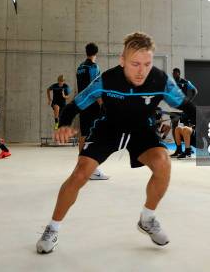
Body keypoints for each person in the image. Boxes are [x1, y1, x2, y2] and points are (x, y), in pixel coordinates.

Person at [36, 32, 197, 254]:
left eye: (147, 64)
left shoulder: (161, 80)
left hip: (142, 130)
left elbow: (187, 106)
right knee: (81, 173)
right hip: (108, 128)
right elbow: (75, 104)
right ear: (122, 61)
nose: (141, 70)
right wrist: (63, 123)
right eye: (135, 64)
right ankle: (52, 229)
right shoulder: (106, 79)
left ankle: (147, 219)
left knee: (163, 163)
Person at [76, 42, 109, 180]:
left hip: (81, 104)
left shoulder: (80, 68)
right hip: (92, 105)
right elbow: (95, 89)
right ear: (96, 53)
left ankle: (81, 167)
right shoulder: (94, 67)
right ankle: (92, 169)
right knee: (94, 135)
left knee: (84, 134)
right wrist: (103, 105)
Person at [169, 68, 197, 156]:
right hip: (174, 109)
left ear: (179, 73)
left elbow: (195, 91)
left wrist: (189, 101)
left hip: (184, 108)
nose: (174, 75)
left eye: (176, 73)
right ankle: (178, 149)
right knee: (175, 127)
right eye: (173, 73)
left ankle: (188, 148)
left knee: (186, 127)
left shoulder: (186, 82)